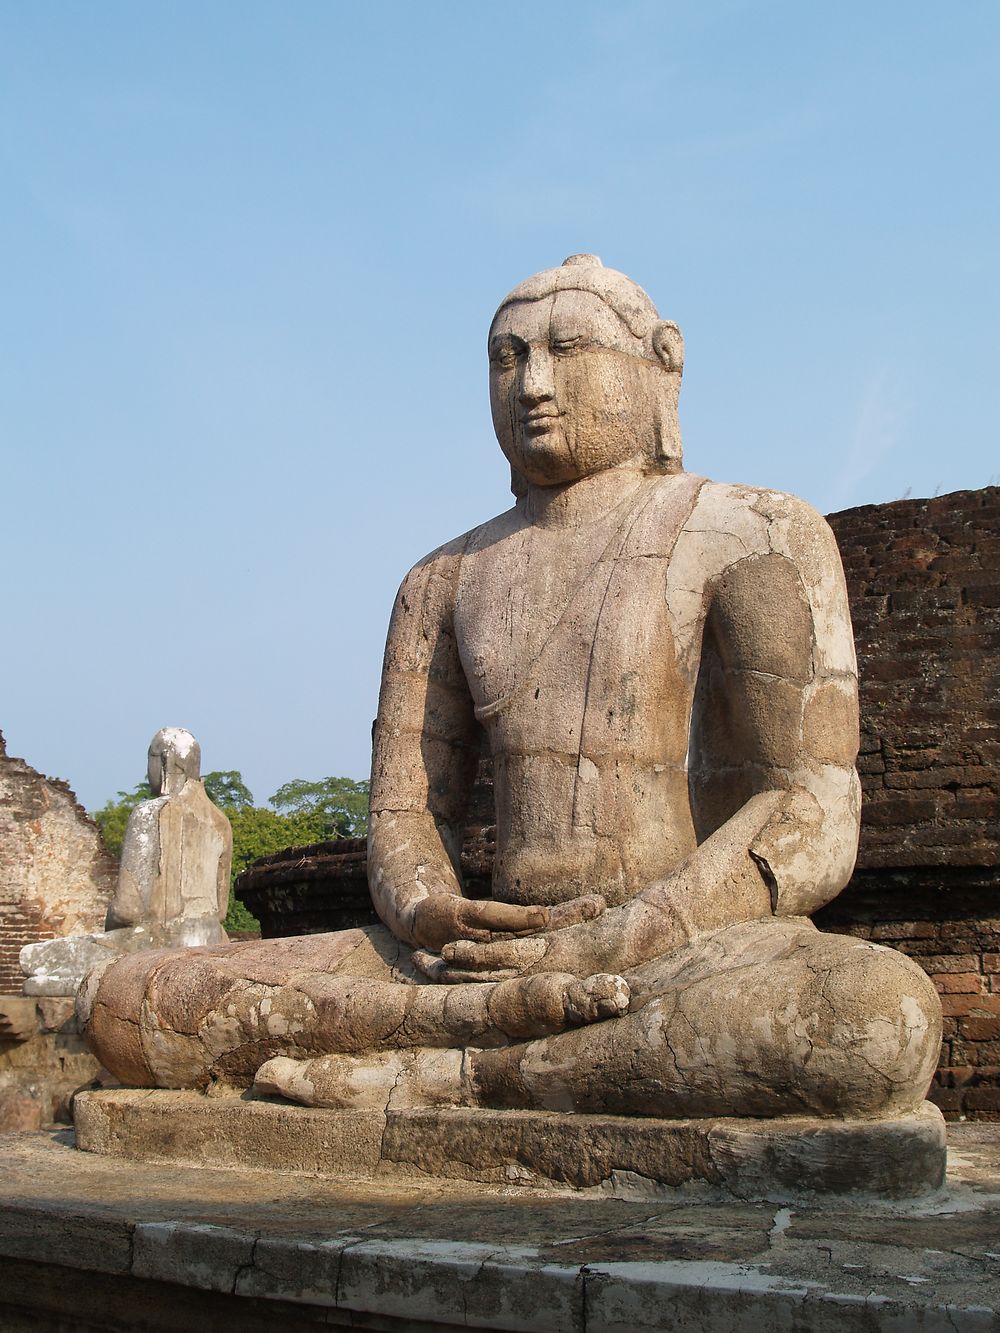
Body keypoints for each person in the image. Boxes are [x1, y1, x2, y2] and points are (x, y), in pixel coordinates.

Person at [81, 258, 941, 1121]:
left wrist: (636, 929)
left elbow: (811, 807)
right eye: (507, 357)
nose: (533, 384)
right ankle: (500, 1038)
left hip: (671, 946)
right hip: (471, 961)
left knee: (876, 1017)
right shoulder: (442, 578)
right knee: (131, 1001)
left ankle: (461, 1074)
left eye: (568, 348)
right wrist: (428, 910)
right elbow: (405, 813)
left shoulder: (752, 532)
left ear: (661, 366)